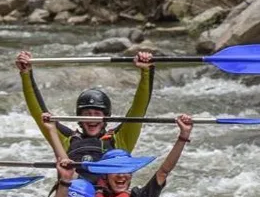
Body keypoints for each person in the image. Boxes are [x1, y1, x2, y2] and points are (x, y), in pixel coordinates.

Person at [15, 50, 155, 183]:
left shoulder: (120, 139)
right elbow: (38, 113)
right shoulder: (66, 140)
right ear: (79, 119)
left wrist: (146, 70)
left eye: (97, 114)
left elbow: (139, 109)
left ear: (106, 117)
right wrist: (26, 73)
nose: (91, 119)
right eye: (87, 114)